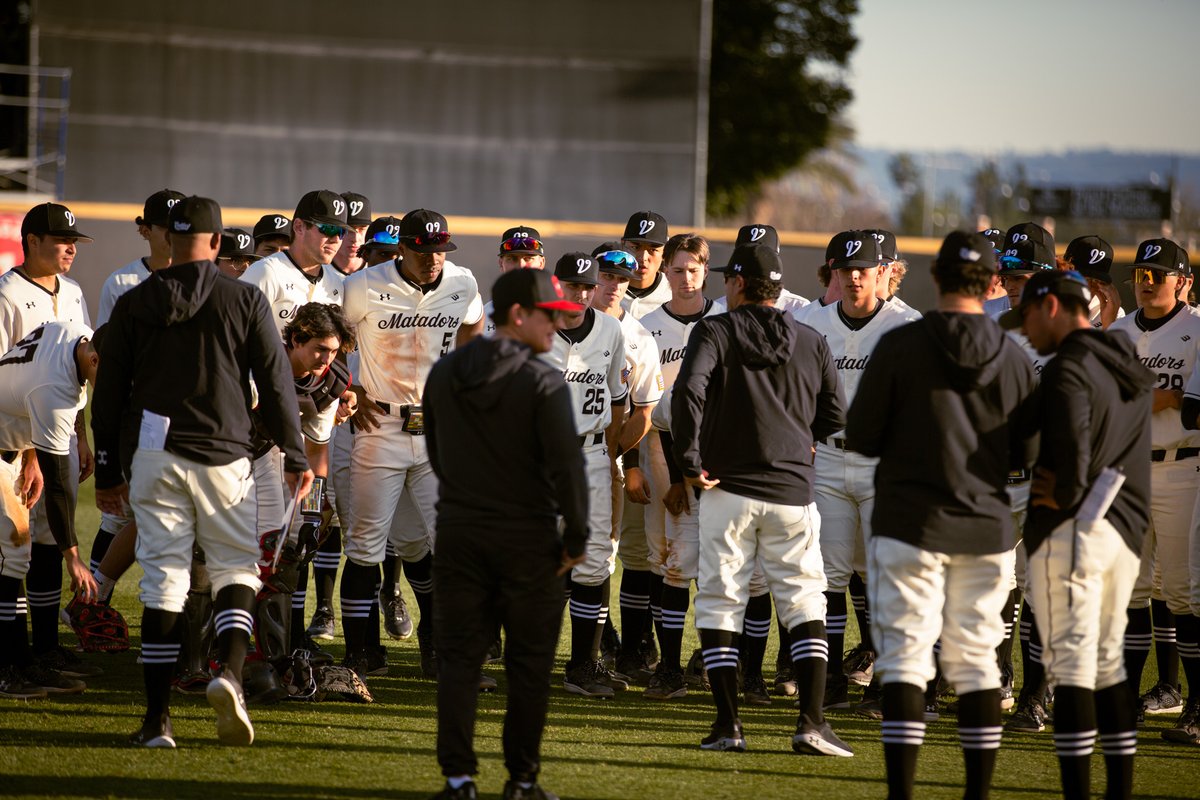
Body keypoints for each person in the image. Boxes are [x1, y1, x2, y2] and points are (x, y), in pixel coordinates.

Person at [92, 195, 312, 748]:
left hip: (153, 452)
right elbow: (278, 383)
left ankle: (156, 721)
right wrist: (297, 455)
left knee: (164, 582)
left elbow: (110, 394)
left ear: (168, 239)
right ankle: (231, 676)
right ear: (216, 243)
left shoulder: (135, 300)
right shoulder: (244, 298)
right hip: (223, 453)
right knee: (237, 570)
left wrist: (107, 469)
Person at [846, 231, 1039, 800]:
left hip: (909, 520)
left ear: (936, 279)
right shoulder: (1013, 354)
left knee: (906, 658)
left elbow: (859, 437)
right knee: (978, 664)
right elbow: (1026, 455)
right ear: (993, 282)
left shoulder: (901, 344)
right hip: (985, 526)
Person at [672, 243, 851, 756]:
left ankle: (729, 725)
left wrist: (689, 460)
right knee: (804, 602)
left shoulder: (715, 330)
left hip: (727, 489)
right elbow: (836, 415)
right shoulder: (811, 337)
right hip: (793, 491)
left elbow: (689, 392)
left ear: (738, 284)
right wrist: (800, 436)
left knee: (721, 601)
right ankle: (811, 724)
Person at [424, 268, 588, 800]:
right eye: (549, 315)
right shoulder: (544, 378)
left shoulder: (445, 372)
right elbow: (567, 466)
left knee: (460, 660)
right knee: (529, 665)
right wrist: (578, 536)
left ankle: (458, 780)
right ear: (518, 314)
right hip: (527, 540)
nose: (556, 326)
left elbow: (436, 454)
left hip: (459, 532)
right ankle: (521, 781)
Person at [999, 269, 1153, 799]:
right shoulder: (1124, 355)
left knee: (1073, 671)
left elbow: (1072, 459)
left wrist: (1059, 492)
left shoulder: (1067, 366)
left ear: (1051, 308)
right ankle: (1119, 790)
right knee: (1108, 668)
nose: (1026, 328)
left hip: (1077, 535)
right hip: (1125, 532)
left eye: (1028, 316)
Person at [339, 208, 484, 680]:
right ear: (403, 247)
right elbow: (337, 339)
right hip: (379, 425)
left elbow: (473, 326)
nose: (433, 260)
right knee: (364, 545)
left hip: (439, 430)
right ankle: (360, 652)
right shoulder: (364, 284)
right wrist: (351, 386)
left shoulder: (462, 282)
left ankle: (446, 649)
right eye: (424, 251)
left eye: (440, 250)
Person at [801, 230, 920, 713]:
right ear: (832, 271)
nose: (853, 277)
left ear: (883, 272)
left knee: (883, 574)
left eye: (863, 269)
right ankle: (830, 679)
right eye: (844, 269)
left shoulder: (906, 324)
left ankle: (884, 680)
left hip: (882, 462)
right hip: (826, 457)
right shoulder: (810, 319)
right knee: (826, 574)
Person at [1, 202, 97, 688]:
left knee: (42, 540)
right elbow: (13, 377)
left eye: (75, 240)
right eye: (61, 239)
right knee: (13, 547)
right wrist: (37, 453)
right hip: (14, 442)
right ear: (32, 239)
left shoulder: (74, 292)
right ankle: (13, 660)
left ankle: (43, 648)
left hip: (50, 431)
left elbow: (72, 376)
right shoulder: (6, 293)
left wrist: (79, 435)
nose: (70, 247)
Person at [1108, 239, 1200, 741]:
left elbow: (1187, 401)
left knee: (1184, 592)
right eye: (1141, 274)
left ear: (1183, 281)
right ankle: (1126, 698)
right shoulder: (1119, 329)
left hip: (1184, 467)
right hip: (1129, 469)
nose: (1146, 283)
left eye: (1157, 275)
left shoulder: (1198, 328)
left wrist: (1162, 398)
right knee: (1133, 589)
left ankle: (1195, 704)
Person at [538, 252, 627, 697]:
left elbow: (617, 400)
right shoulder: (534, 327)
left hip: (590, 454)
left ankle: (583, 665)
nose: (581, 293)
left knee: (594, 560)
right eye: (573, 285)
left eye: (588, 286)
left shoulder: (611, 328)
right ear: (557, 286)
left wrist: (609, 459)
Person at [240, 190, 349, 335]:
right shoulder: (266, 272)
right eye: (329, 228)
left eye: (341, 232)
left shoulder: (336, 282)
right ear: (299, 227)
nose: (336, 239)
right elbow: (235, 334)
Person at [483, 226, 546, 336]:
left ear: (541, 263)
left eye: (528, 258)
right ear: (501, 264)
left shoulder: (556, 314)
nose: (521, 265)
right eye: (512, 258)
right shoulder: (484, 315)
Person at [619, 211, 673, 319]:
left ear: (664, 252)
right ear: (622, 246)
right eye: (635, 247)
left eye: (653, 249)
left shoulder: (674, 295)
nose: (643, 257)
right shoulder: (602, 289)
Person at [331, 192, 372, 276]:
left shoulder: (378, 270)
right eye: (348, 229)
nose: (355, 238)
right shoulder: (317, 269)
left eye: (362, 229)